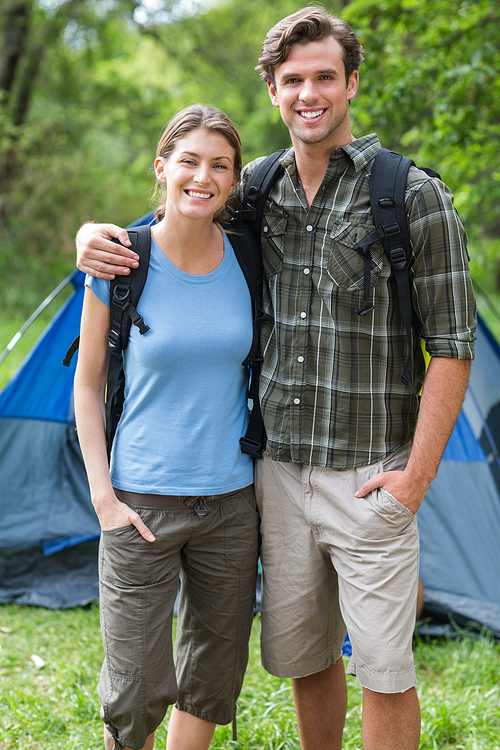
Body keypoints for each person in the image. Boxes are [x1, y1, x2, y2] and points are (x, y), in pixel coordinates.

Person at [75, 7, 477, 750]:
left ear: (352, 82)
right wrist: (91, 238)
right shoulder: (259, 188)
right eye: (293, 79)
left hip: (370, 474)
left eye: (326, 76)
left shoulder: (412, 196)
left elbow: (453, 346)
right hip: (277, 476)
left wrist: (415, 479)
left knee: (384, 669)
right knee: (306, 658)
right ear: (273, 91)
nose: (309, 93)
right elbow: (177, 222)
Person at [73, 104, 260, 750]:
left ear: (235, 180)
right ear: (162, 167)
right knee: (134, 688)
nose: (202, 177)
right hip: (141, 501)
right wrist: (104, 496)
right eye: (189, 161)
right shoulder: (122, 262)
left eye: (220, 166)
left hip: (233, 504)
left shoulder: (250, 260)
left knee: (211, 672)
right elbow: (87, 385)